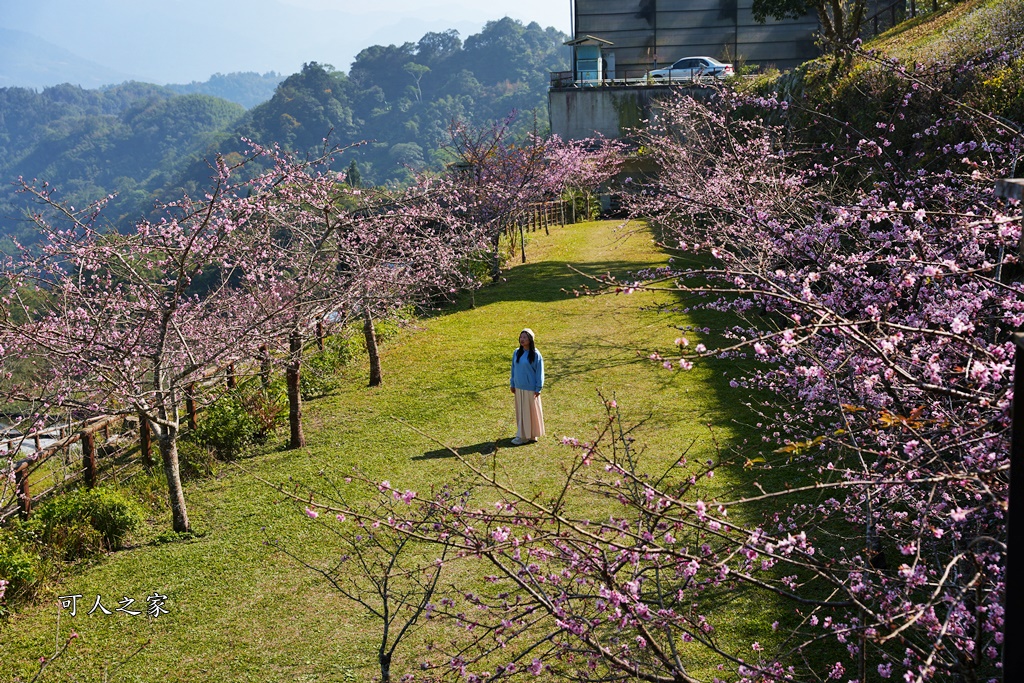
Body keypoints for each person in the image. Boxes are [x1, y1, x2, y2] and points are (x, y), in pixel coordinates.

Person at [510, 328, 545, 445]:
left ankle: (526, 436)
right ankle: (525, 434)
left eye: (525, 337)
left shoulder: (535, 354)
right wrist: (512, 383)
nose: (522, 339)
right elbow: (513, 369)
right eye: (521, 337)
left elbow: (540, 372)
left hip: (530, 388)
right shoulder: (516, 352)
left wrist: (538, 387)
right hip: (519, 387)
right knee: (522, 412)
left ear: (530, 339)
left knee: (530, 412)